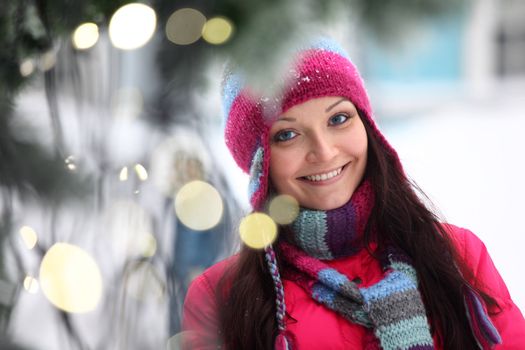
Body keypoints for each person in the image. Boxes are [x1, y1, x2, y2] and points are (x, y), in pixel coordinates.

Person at [182, 38, 525, 349]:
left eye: (339, 119)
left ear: (367, 126)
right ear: (260, 165)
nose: (325, 151)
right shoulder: (220, 297)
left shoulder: (458, 257)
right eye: (287, 135)